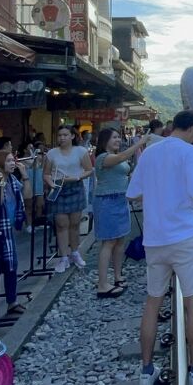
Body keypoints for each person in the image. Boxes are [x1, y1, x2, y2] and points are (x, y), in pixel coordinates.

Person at [126, 110, 193, 385]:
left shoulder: (151, 153)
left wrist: (160, 191)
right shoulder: (190, 152)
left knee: (153, 302)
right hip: (184, 236)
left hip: (155, 239)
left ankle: (145, 372)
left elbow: (133, 193)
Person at [94, 127, 148, 298]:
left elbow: (124, 173)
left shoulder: (116, 157)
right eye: (114, 138)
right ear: (104, 141)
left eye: (119, 137)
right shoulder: (103, 157)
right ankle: (102, 284)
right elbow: (122, 157)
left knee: (119, 241)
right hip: (107, 201)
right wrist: (139, 143)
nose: (118, 140)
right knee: (108, 242)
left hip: (120, 200)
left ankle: (117, 276)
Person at [43, 127, 94, 273]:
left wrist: (77, 177)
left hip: (75, 186)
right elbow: (46, 173)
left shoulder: (81, 151)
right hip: (58, 187)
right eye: (59, 135)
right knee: (61, 224)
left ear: (72, 136)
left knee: (75, 223)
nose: (62, 138)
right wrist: (52, 183)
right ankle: (63, 256)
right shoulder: (52, 153)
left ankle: (75, 252)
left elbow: (89, 170)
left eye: (65, 135)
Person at [0, 150, 27, 316]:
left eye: (13, 160)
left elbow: (28, 196)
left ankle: (12, 302)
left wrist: (25, 175)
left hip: (8, 230)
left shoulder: (13, 180)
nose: (13, 163)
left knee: (12, 266)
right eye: (9, 161)